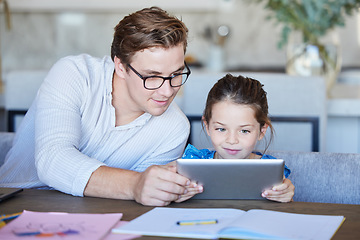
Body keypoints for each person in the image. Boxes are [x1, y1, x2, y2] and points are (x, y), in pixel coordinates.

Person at [0, 7, 202, 206]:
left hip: (96, 214)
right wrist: (134, 184)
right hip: (16, 201)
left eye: (176, 74)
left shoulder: (175, 127)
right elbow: (52, 160)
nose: (167, 91)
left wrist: (161, 190)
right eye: (152, 77)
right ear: (120, 66)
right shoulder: (74, 74)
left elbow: (140, 198)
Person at [180, 74, 295, 202]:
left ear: (262, 131)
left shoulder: (270, 170)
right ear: (207, 126)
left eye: (244, 131)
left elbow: (281, 209)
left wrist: (284, 195)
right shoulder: (193, 162)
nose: (232, 140)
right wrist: (176, 193)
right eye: (221, 129)